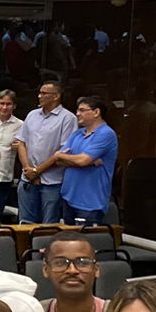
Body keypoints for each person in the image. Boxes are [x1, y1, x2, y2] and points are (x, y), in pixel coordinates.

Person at [13, 79, 78, 224]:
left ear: (56, 96)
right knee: (25, 223)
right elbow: (21, 143)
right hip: (27, 179)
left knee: (48, 225)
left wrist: (37, 171)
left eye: (44, 93)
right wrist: (28, 170)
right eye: (39, 93)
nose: (39, 96)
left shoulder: (68, 118)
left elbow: (63, 152)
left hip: (52, 182)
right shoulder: (32, 115)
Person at [52, 95, 118, 225]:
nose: (77, 114)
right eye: (77, 110)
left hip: (90, 203)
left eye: (82, 110)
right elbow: (58, 161)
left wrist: (63, 155)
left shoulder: (106, 134)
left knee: (85, 243)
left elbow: (81, 160)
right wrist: (89, 161)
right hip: (68, 198)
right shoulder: (77, 133)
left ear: (96, 112)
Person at [0, 89, 22, 218]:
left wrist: (20, 146)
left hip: (3, 175)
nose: (4, 107)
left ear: (14, 106)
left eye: (8, 104)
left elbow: (24, 148)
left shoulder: (20, 125)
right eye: (2, 103)